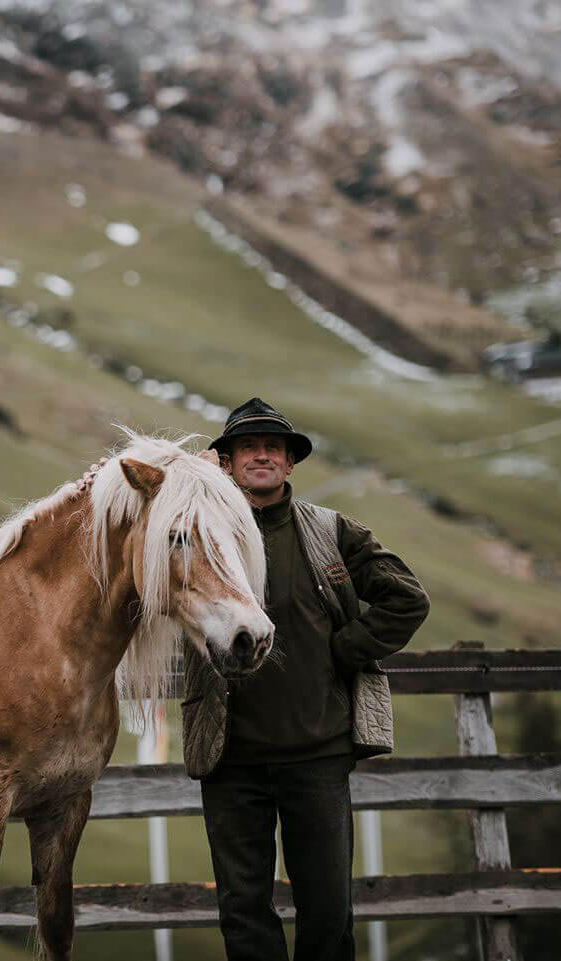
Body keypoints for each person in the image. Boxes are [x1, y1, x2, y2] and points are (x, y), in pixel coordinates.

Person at [186, 397, 430, 961]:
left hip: (318, 753)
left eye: (273, 447)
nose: (262, 455)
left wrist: (343, 650)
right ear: (226, 462)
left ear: (290, 461)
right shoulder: (199, 534)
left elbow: (407, 600)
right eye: (248, 447)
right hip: (231, 757)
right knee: (243, 912)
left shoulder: (330, 532)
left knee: (327, 910)